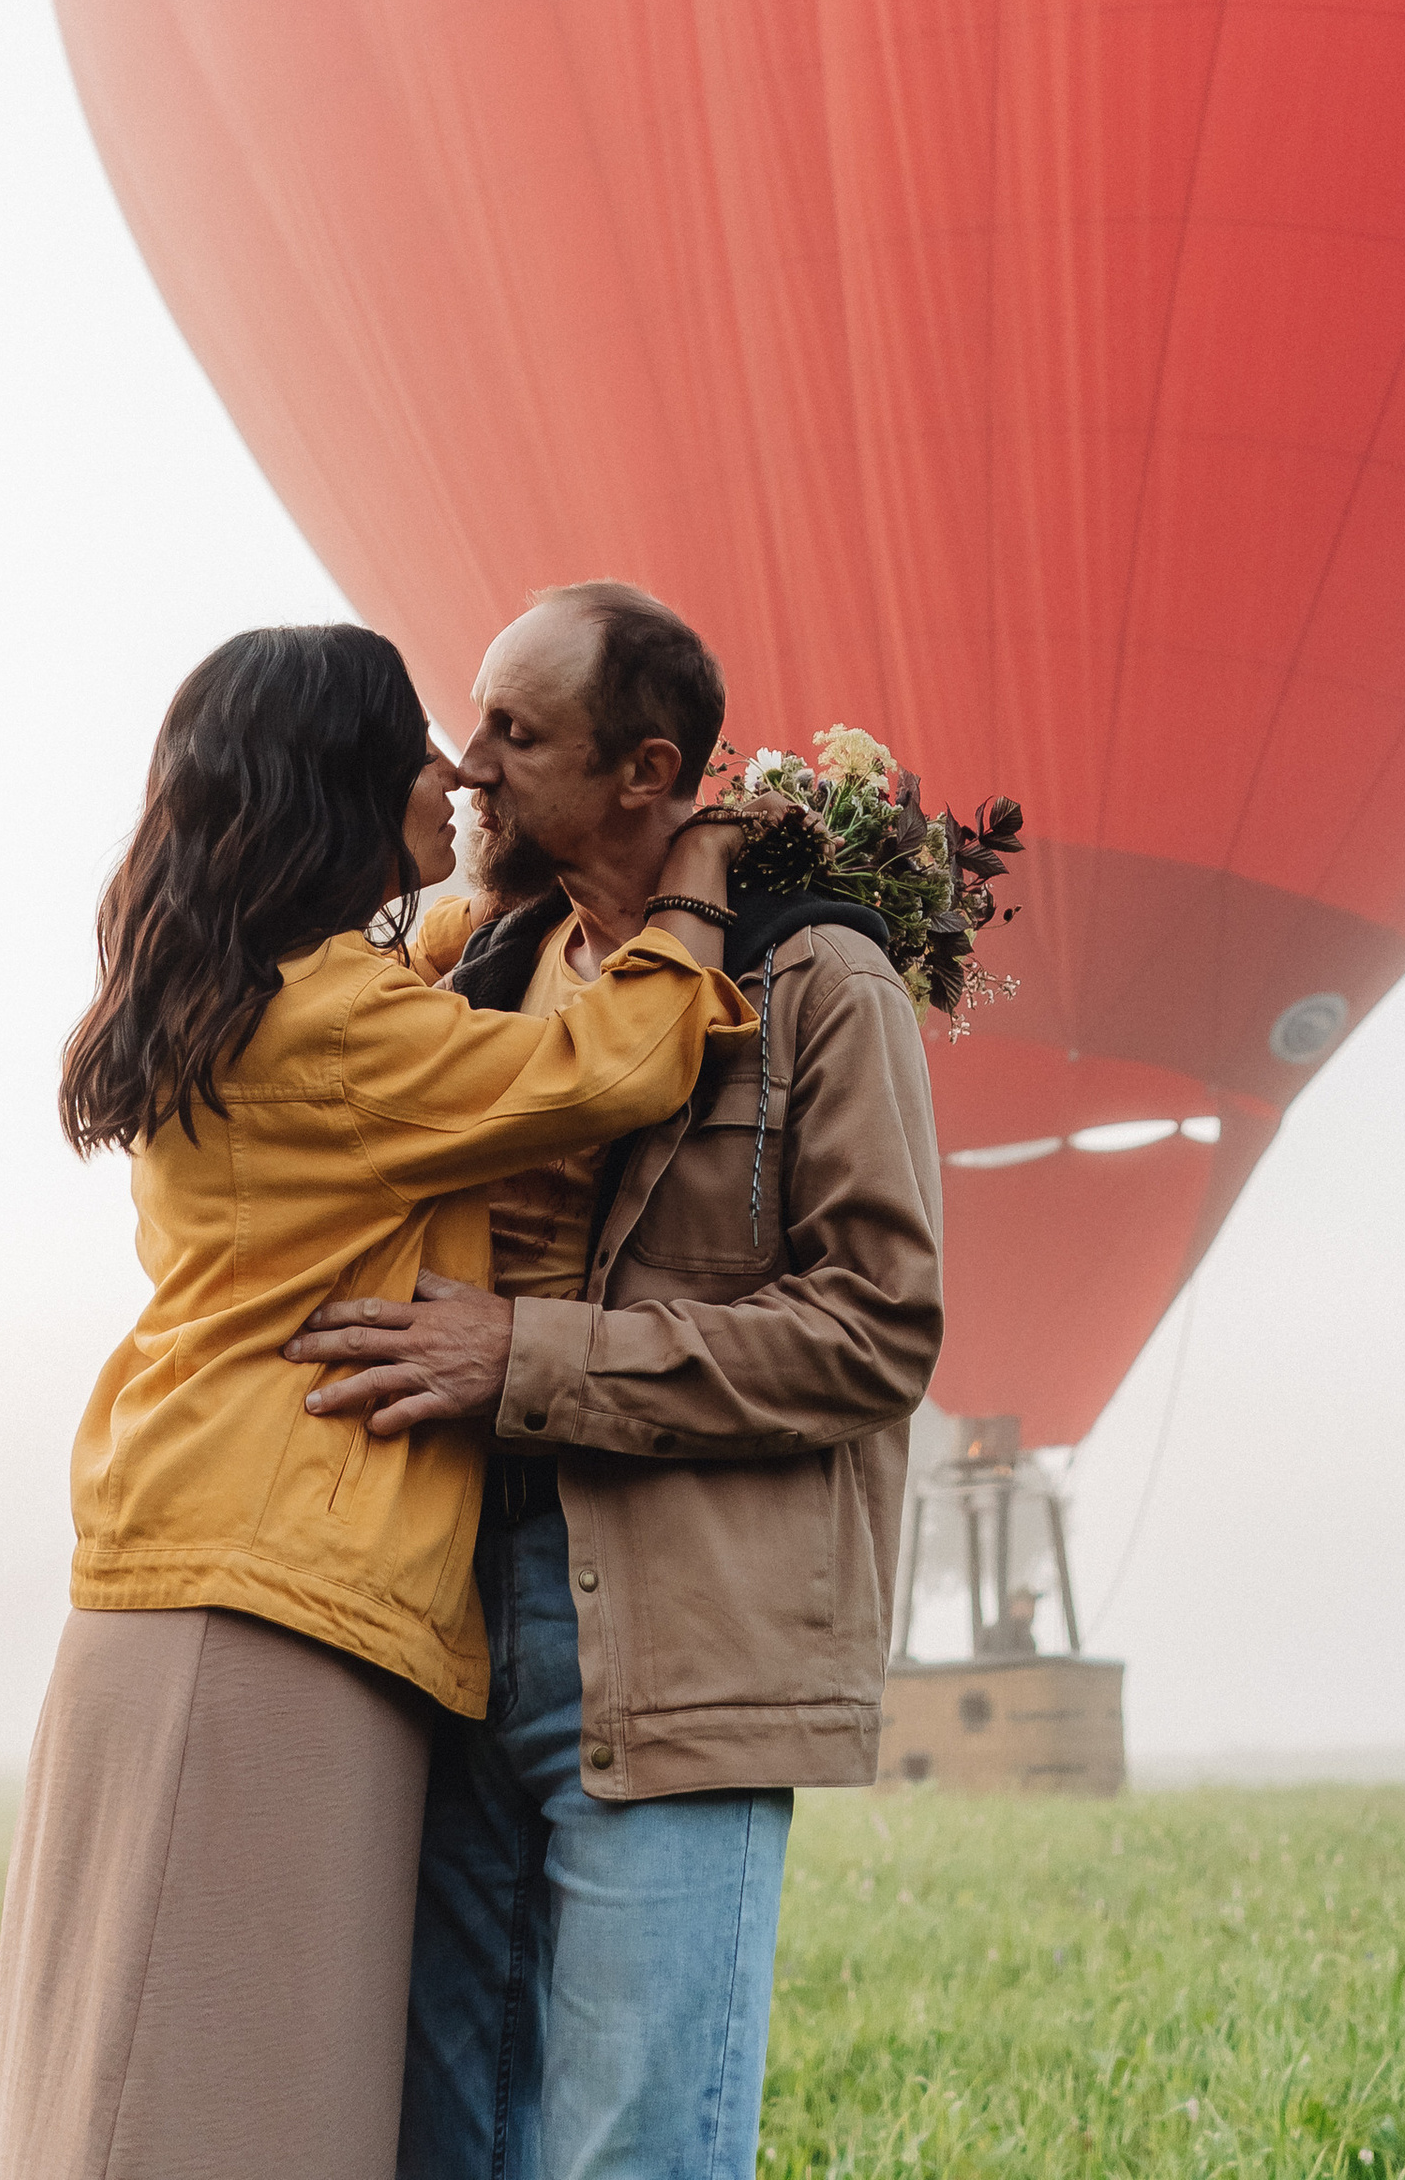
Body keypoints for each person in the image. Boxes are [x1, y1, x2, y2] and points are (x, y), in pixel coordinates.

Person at [0, 622, 751, 2180]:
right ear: (345, 778)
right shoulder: (334, 1024)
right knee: (209, 2099)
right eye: (419, 741)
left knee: (171, 2078)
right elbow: (620, 1067)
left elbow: (438, 968)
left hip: (204, 1576)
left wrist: (503, 893)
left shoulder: (256, 988)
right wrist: (693, 887)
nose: (457, 769)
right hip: (262, 1608)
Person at [288, 580, 946, 2180]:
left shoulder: (818, 986)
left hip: (681, 1660)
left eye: (518, 732)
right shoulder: (480, 984)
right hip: (450, 1650)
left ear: (646, 773)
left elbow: (879, 1328)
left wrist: (527, 1355)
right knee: (444, 2149)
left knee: (629, 2157)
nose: (473, 765)